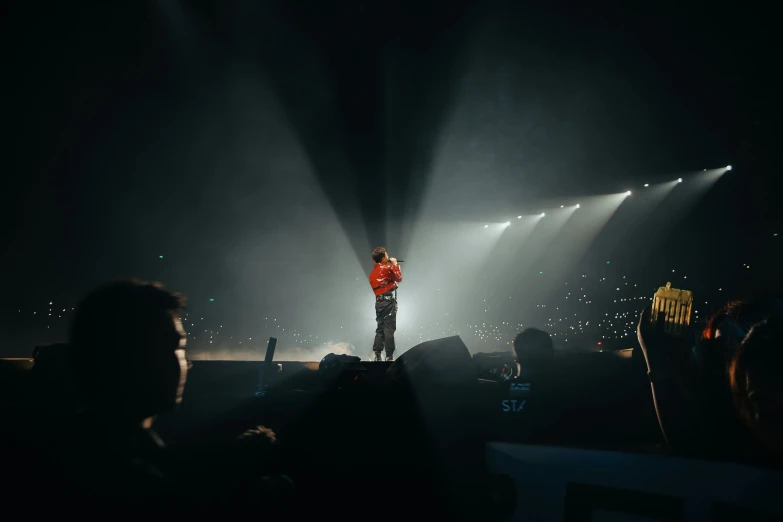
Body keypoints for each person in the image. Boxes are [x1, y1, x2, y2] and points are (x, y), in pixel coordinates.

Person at [368, 246, 402, 361]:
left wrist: (393, 285)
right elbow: (399, 278)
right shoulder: (387, 268)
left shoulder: (372, 274)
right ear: (383, 258)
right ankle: (389, 356)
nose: (388, 256)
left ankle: (377, 354)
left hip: (379, 302)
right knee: (389, 328)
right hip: (388, 302)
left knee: (380, 327)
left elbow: (384, 285)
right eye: (386, 255)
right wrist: (395, 264)